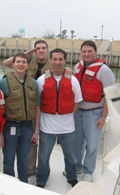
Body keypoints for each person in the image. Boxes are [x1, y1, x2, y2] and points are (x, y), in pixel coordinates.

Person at [36, 48, 83, 188]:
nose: (57, 62)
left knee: (70, 155)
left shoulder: (73, 80)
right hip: (47, 127)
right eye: (54, 59)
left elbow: (77, 102)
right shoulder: (41, 80)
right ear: (50, 60)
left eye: (60, 59)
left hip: (67, 127)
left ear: (65, 61)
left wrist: (67, 113)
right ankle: (42, 178)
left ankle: (71, 176)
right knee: (43, 157)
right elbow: (38, 104)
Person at [3, 39, 50, 176]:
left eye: (43, 48)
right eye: (38, 48)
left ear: (47, 50)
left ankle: (35, 172)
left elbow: (62, 69)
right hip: (21, 112)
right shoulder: (28, 62)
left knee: (37, 147)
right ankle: (26, 173)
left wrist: (67, 69)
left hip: (42, 109)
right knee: (15, 155)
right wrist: (26, 54)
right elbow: (7, 63)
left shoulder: (53, 63)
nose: (41, 50)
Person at [73, 40, 115, 182]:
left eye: (89, 51)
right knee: (76, 142)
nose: (86, 54)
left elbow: (109, 97)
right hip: (77, 112)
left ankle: (88, 171)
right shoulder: (76, 67)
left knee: (91, 145)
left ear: (95, 52)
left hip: (94, 112)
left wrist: (103, 117)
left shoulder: (104, 70)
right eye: (84, 51)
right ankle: (76, 167)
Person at [0, 53, 40, 183]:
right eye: (18, 62)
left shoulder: (34, 83)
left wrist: (36, 131)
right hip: (10, 127)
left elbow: (37, 107)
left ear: (27, 65)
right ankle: (9, 186)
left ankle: (23, 185)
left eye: (24, 62)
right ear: (13, 64)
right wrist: (0, 133)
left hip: (28, 127)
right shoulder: (3, 83)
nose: (21, 64)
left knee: (24, 160)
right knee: (8, 160)